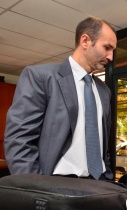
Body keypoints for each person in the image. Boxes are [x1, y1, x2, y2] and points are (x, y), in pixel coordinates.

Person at [4, 17, 117, 180]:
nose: (111, 56)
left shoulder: (104, 91)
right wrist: (36, 188)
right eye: (107, 47)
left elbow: (102, 143)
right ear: (85, 40)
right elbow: (19, 139)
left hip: (97, 185)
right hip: (55, 185)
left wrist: (106, 177)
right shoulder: (40, 77)